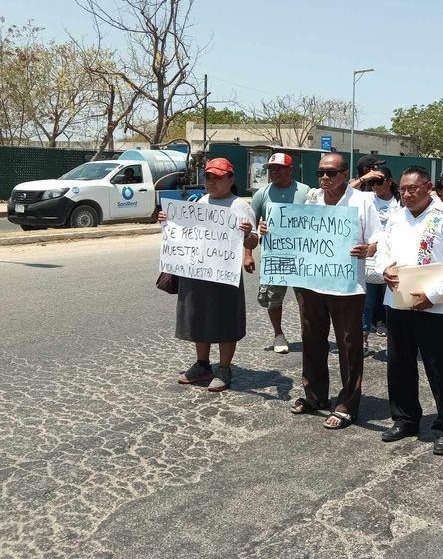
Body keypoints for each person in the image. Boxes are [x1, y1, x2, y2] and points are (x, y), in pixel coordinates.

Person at [279, 152, 382, 429]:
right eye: (320, 173)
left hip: (347, 286)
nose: (324, 177)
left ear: (345, 176)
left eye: (331, 173)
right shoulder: (313, 201)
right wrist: (271, 229)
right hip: (311, 283)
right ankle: (314, 396)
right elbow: (294, 232)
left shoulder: (362, 202)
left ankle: (347, 403)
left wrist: (368, 249)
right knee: (312, 338)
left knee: (349, 344)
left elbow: (378, 238)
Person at [374, 166, 443, 455]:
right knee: (399, 363)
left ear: (428, 187)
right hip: (398, 302)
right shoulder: (395, 218)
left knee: (437, 367)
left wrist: (434, 294)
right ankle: (405, 418)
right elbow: (382, 250)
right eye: (402, 189)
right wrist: (384, 269)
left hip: (432, 306)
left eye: (413, 188)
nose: (406, 193)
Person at [160, 158, 257, 392]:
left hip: (225, 274)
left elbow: (254, 240)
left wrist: (247, 238)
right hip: (198, 272)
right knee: (198, 317)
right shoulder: (199, 202)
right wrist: (168, 221)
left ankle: (224, 368)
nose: (212, 182)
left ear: (231, 179)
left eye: (218, 177)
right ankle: (202, 364)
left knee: (225, 319)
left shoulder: (240, 207)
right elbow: (185, 233)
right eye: (208, 177)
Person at [246, 152, 309, 353]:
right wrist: (248, 253)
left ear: (290, 170)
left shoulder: (306, 192)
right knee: (273, 298)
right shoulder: (261, 194)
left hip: (302, 256)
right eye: (271, 169)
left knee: (306, 300)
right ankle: (278, 334)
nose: (274, 172)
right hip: (275, 256)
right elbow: (250, 227)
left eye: (278, 169)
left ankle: (308, 335)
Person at [361, 165, 400, 353]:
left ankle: (393, 343)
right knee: (366, 304)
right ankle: (363, 340)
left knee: (392, 303)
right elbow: (344, 191)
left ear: (390, 181)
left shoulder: (400, 201)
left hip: (393, 260)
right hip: (368, 259)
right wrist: (364, 178)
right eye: (372, 182)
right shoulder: (367, 198)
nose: (375, 185)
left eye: (379, 181)